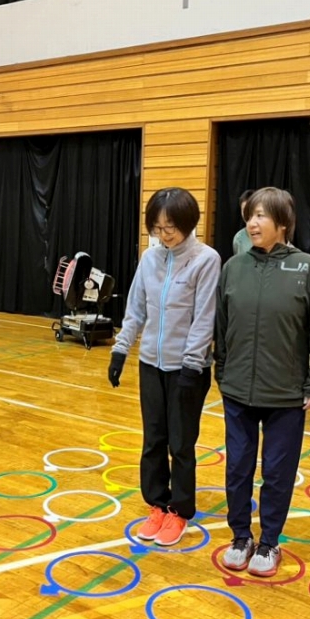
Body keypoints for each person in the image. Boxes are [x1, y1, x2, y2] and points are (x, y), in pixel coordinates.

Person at [215, 187, 310, 576]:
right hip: (237, 392)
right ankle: (240, 536)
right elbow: (221, 325)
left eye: (261, 215)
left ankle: (269, 542)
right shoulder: (234, 267)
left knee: (278, 473)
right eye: (250, 215)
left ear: (283, 222)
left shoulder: (308, 268)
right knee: (237, 469)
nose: (252, 222)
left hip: (286, 394)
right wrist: (222, 370)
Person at [108, 187, 221, 547]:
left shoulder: (206, 260)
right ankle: (157, 504)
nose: (164, 234)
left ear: (188, 223)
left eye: (170, 226)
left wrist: (191, 365)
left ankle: (179, 511)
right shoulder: (149, 258)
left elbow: (204, 318)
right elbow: (136, 308)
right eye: (157, 227)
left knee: (181, 443)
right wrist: (120, 351)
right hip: (150, 365)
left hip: (187, 369)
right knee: (153, 439)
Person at [231, 189, 256, 256]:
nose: (247, 214)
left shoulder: (268, 234)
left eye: (250, 209)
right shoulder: (239, 237)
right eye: (244, 210)